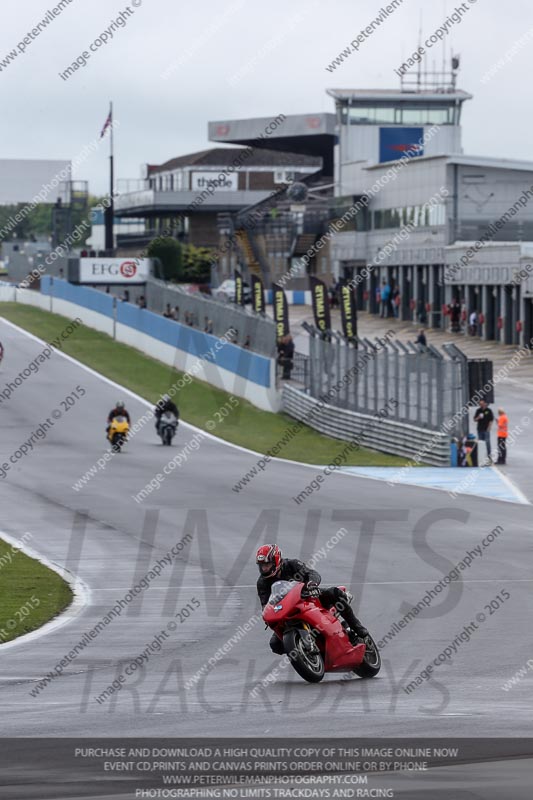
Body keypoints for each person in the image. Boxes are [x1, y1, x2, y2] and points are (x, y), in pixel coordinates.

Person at [255, 544, 368, 655]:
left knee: (334, 593)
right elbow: (265, 604)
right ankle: (301, 651)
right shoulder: (262, 583)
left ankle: (356, 627)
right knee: (275, 645)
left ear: (276, 561)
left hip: (309, 597)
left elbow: (312, 573)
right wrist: (268, 615)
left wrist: (311, 584)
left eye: (267, 565)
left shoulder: (292, 564)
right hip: (287, 611)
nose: (264, 568)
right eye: (261, 566)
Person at [474, 399, 494, 464]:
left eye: (482, 404)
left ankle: (489, 457)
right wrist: (478, 417)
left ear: (485, 403)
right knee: (481, 443)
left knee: (487, 443)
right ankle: (481, 457)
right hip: (480, 429)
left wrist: (489, 428)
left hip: (486, 429)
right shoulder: (478, 410)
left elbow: (491, 420)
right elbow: (475, 419)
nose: (481, 405)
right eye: (480, 404)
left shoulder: (489, 411)